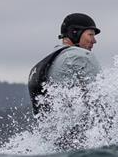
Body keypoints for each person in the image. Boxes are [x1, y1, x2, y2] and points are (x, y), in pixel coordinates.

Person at [28, 13, 102, 148]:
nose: (94, 40)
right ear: (75, 33)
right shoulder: (81, 56)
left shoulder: (52, 61)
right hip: (80, 141)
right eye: (90, 34)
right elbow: (99, 97)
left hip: (54, 141)